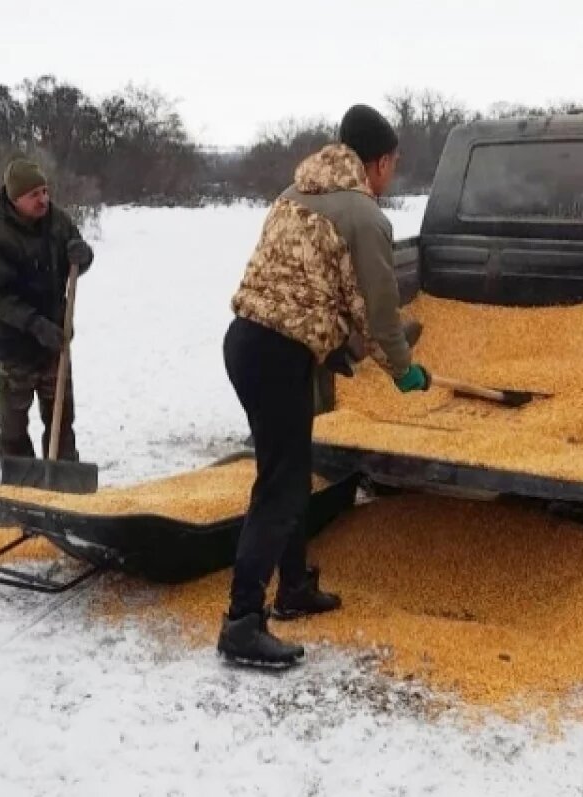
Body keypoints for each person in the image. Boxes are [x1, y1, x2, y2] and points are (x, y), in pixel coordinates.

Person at [218, 104, 431, 669]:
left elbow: (315, 286)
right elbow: (381, 314)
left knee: (286, 468)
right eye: (392, 166)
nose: (391, 177)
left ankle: (292, 588)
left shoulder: (294, 192)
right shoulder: (365, 216)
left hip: (245, 342)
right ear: (379, 162)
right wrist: (403, 368)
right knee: (281, 485)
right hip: (278, 356)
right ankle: (242, 622)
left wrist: (342, 344)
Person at [0, 157, 94, 465]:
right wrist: (35, 325)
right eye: (34, 195)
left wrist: (84, 255)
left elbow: (76, 258)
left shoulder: (58, 222)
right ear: (15, 199)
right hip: (13, 352)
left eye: (45, 191)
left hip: (55, 346)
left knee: (62, 425)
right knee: (13, 432)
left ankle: (65, 490)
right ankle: (19, 496)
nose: (43, 200)